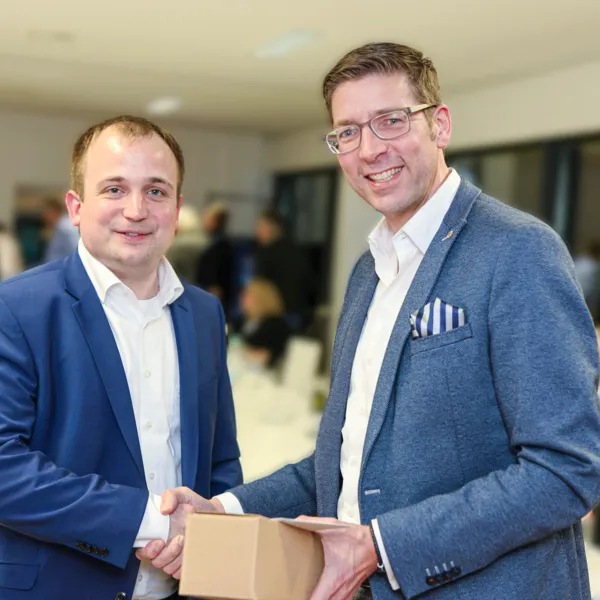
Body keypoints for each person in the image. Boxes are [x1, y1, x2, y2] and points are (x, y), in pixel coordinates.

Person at [141, 43, 600, 600]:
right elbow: (340, 465)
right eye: (349, 131)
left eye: (391, 120)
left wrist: (382, 545)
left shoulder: (518, 250)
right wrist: (222, 510)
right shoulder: (367, 274)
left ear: (440, 124)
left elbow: (566, 471)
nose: (370, 149)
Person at [0, 115, 241, 599]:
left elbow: (221, 458)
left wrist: (208, 531)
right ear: (76, 207)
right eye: (114, 189)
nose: (136, 210)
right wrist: (152, 521)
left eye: (156, 191)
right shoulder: (17, 307)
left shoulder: (204, 313)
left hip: (181, 586)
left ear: (177, 209)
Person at [254, 207, 314, 332]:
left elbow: (261, 291)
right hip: (301, 316)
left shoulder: (267, 255)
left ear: (274, 228)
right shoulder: (298, 252)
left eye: (261, 226)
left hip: (276, 318)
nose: (258, 231)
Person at [231, 278, 291, 368]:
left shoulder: (276, 325)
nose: (241, 299)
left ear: (260, 298)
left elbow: (270, 356)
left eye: (247, 295)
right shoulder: (241, 321)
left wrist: (243, 351)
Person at [195, 201, 234, 317]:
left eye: (208, 217)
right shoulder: (213, 241)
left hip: (212, 293)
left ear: (215, 221)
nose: (204, 220)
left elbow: (215, 271)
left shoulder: (219, 245)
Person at [42, 197, 80, 262]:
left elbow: (76, 253)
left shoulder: (66, 228)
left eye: (45, 212)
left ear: (52, 212)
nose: (43, 216)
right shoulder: (59, 228)